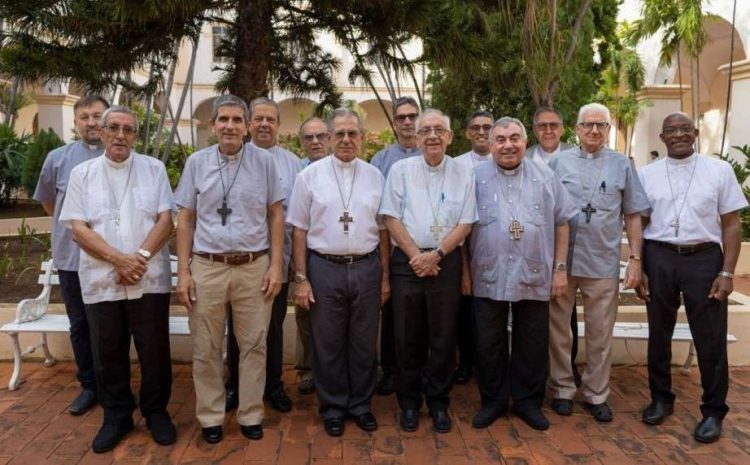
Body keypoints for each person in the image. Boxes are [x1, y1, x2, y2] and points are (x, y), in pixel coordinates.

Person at [59, 105, 176, 452]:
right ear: (103, 131)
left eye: (128, 129)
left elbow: (165, 219)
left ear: (136, 136)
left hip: (148, 278)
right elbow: (78, 228)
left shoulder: (153, 169)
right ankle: (117, 416)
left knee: (154, 350)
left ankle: (156, 412)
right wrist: (118, 260)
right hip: (101, 279)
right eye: (114, 128)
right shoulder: (83, 174)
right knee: (107, 352)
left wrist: (137, 259)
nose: (121, 135)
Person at [175, 95, 284, 444]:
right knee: (205, 346)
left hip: (253, 265)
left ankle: (251, 413)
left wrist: (276, 266)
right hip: (208, 265)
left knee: (254, 344)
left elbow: (276, 214)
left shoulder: (265, 162)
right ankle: (211, 417)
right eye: (224, 119)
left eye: (238, 120)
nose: (230, 126)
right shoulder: (196, 163)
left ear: (248, 126)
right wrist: (184, 272)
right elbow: (186, 217)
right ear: (213, 125)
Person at [637, 112, 747, 443]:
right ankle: (661, 398)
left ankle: (713, 411)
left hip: (704, 259)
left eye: (685, 129)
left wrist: (727, 271)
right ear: (662, 137)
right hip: (659, 256)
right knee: (659, 332)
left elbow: (731, 223)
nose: (679, 134)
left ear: (696, 133)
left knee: (710, 337)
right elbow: (640, 223)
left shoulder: (719, 170)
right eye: (672, 130)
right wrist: (639, 266)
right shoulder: (646, 174)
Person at [468, 117, 576, 431]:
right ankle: (493, 401)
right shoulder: (474, 177)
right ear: (490, 145)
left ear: (525, 142)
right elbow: (462, 227)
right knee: (489, 342)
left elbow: (562, 223)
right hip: (488, 272)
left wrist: (559, 269)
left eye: (514, 138)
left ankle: (528, 402)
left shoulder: (545, 176)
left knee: (532, 341)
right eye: (500, 139)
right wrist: (464, 273)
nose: (508, 145)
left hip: (535, 271)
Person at [288, 108, 389, 437]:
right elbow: (299, 231)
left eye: (353, 134)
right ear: (329, 138)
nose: (346, 139)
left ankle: (360, 404)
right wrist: (301, 279)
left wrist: (385, 275)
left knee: (363, 342)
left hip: (365, 266)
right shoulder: (310, 177)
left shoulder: (375, 176)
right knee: (327, 342)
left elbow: (384, 229)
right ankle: (332, 406)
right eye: (340, 134)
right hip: (324, 268)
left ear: (362, 138)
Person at [548, 102, 649, 422]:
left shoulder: (622, 165)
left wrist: (635, 259)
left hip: (602, 260)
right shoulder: (558, 163)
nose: (594, 130)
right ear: (576, 129)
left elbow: (633, 214)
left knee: (600, 331)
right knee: (558, 329)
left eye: (601, 125)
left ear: (608, 131)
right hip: (561, 260)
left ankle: (595, 393)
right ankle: (562, 388)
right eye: (587, 125)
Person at [380, 109, 477, 433]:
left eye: (439, 130)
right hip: (407, 262)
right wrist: (416, 256)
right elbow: (390, 217)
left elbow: (466, 222)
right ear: (417, 137)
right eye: (426, 131)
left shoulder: (464, 172)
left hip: (445, 260)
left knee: (443, 335)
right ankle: (408, 403)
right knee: (408, 336)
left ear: (450, 136)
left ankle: (438, 402)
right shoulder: (400, 170)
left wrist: (435, 254)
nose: (432, 135)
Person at [33, 95, 109, 416]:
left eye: (97, 116)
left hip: (110, 259)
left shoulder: (121, 155)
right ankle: (90, 385)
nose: (91, 122)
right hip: (72, 259)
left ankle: (112, 384)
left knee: (109, 325)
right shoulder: (57, 159)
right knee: (79, 324)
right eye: (84, 117)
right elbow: (50, 205)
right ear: (76, 122)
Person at [224, 97, 299, 414]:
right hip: (239, 260)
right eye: (259, 119)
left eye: (271, 119)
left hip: (275, 261)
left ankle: (274, 385)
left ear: (279, 125)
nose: (265, 124)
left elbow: (295, 215)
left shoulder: (292, 163)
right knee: (237, 328)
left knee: (273, 327)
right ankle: (235, 387)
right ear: (249, 124)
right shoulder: (232, 158)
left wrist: (290, 265)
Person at [370, 96, 423, 396]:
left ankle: (423, 370)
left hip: (429, 249)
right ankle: (390, 371)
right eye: (401, 117)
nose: (407, 122)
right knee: (392, 316)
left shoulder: (433, 153)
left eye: (411, 116)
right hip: (392, 249)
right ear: (393, 121)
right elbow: (379, 213)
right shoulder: (381, 161)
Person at [525, 106, 581, 387]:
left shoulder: (574, 158)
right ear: (534, 130)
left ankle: (566, 369)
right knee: (532, 315)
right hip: (528, 248)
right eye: (542, 126)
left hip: (563, 246)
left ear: (562, 127)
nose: (548, 130)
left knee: (564, 312)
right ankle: (537, 368)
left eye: (553, 125)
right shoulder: (523, 157)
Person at [452, 110, 494, 385]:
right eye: (476, 127)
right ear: (467, 132)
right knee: (464, 312)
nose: (481, 132)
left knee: (491, 312)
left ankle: (487, 364)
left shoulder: (507, 158)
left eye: (487, 127)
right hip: (465, 245)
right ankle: (466, 362)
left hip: (495, 246)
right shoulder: (456, 165)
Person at [293, 116, 331, 396]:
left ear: (328, 138)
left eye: (320, 136)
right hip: (304, 252)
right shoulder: (300, 174)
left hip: (332, 255)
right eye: (309, 137)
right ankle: (309, 369)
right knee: (306, 314)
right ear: (302, 142)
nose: (315, 142)